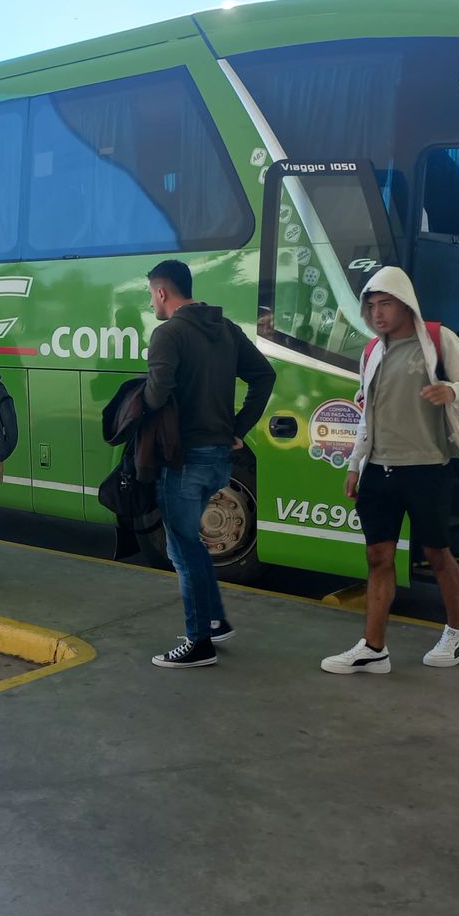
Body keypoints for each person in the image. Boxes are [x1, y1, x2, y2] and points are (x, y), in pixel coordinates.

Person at [321, 266, 459, 676]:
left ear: (404, 302)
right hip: (380, 470)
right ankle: (374, 648)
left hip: (428, 468)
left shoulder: (437, 339)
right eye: (372, 306)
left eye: (386, 304)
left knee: (436, 553)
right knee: (378, 557)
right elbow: (368, 416)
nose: (377, 313)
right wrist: (355, 465)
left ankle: (458, 631)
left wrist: (453, 391)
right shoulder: (371, 352)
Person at [142, 259, 276, 669]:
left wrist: (145, 399)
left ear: (162, 292)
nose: (151, 301)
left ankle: (199, 640)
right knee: (193, 545)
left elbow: (155, 395)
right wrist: (238, 426)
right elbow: (264, 376)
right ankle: (214, 620)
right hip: (219, 457)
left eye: (151, 293)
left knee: (182, 549)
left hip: (184, 459)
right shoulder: (227, 329)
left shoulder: (168, 334)